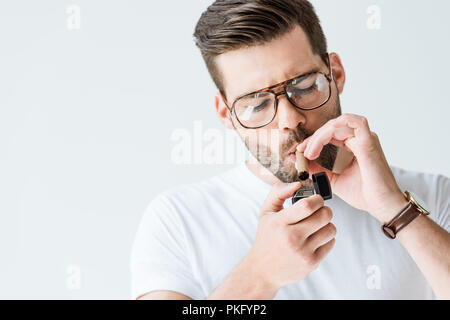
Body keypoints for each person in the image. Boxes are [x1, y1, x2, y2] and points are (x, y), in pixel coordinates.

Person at [130, 0, 450, 300]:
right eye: (256, 104)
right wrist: (260, 275)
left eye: (305, 86)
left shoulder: (434, 196)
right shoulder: (177, 221)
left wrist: (396, 210)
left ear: (335, 74)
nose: (289, 119)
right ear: (226, 114)